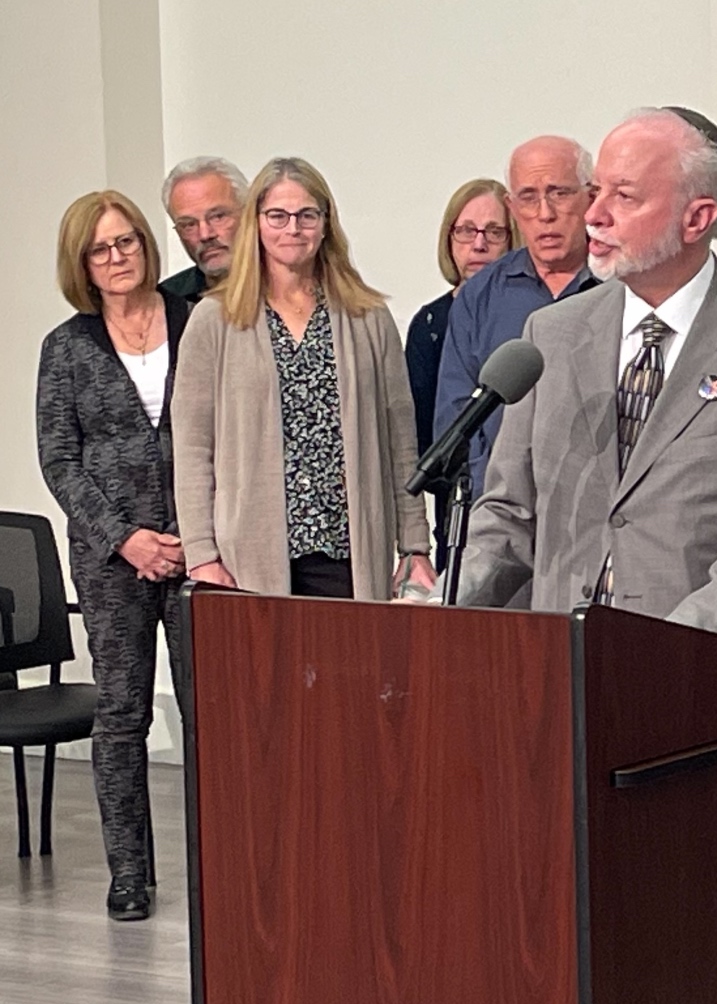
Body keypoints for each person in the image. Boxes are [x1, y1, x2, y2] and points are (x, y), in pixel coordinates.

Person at [458, 108, 717, 658]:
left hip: (701, 676)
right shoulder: (551, 333)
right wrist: (438, 613)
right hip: (561, 670)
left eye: (625, 197)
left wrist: (663, 649)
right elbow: (509, 515)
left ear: (696, 218)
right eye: (596, 192)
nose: (594, 216)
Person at [170, 157, 434, 600]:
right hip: (247, 558)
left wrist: (414, 545)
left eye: (306, 215)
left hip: (349, 553)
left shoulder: (367, 318)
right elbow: (194, 448)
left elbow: (400, 442)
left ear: (326, 224)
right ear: (255, 223)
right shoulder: (213, 320)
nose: (292, 228)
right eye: (278, 216)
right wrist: (201, 554)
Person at [36, 190, 190, 921]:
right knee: (123, 714)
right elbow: (60, 461)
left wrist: (196, 532)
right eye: (102, 249)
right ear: (83, 264)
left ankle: (224, 863)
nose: (118, 257)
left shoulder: (197, 322)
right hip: (111, 560)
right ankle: (130, 874)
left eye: (128, 241)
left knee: (212, 715)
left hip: (201, 553)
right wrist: (125, 538)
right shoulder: (66, 348)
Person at [434, 137, 601, 497]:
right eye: (528, 197)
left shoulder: (624, 286)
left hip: (601, 515)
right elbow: (456, 419)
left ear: (591, 196)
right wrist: (493, 498)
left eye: (559, 193)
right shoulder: (482, 296)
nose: (545, 213)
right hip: (503, 513)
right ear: (512, 207)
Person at [407, 178, 517, 542]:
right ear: (449, 239)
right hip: (457, 512)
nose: (479, 244)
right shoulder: (430, 324)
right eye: (466, 231)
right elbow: (422, 437)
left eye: (494, 232)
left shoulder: (535, 318)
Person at [159, 156, 247, 304]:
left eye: (218, 216)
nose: (205, 235)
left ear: (247, 213)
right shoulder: (168, 302)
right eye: (189, 225)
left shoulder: (287, 288)